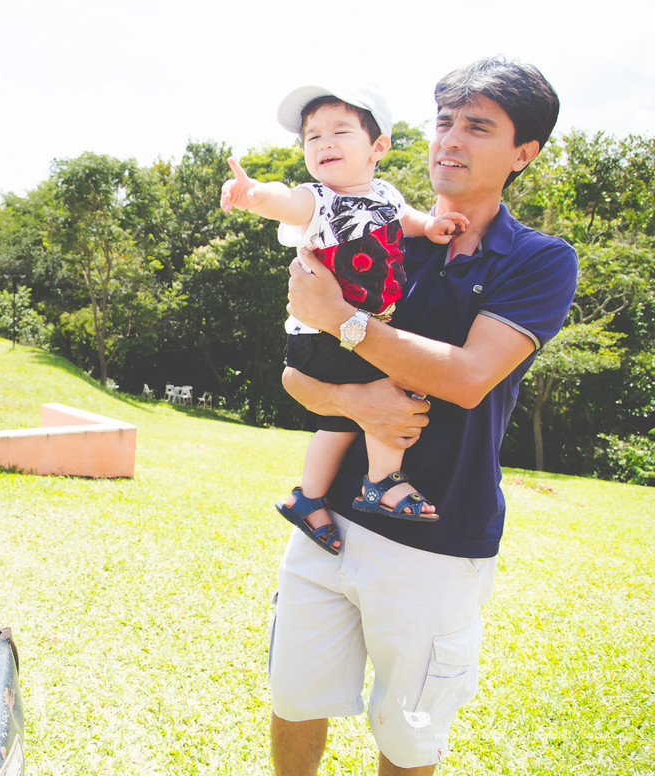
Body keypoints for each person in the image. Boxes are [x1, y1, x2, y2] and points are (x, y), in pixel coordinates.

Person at [270, 58, 577, 775]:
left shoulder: (538, 260)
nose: (450, 140)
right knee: (294, 699)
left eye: (478, 126)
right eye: (444, 120)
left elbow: (469, 378)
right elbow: (294, 374)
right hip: (327, 524)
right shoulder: (377, 227)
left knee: (405, 740)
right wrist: (352, 399)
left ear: (523, 153)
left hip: (436, 538)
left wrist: (345, 321)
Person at [220, 83, 468, 556]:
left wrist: (431, 227)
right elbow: (283, 201)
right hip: (321, 334)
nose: (324, 143)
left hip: (343, 332)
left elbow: (408, 217)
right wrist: (253, 195)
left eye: (340, 131)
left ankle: (308, 497)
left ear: (378, 147)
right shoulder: (318, 200)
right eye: (312, 137)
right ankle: (381, 481)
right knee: (395, 384)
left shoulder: (386, 194)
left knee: (340, 423)